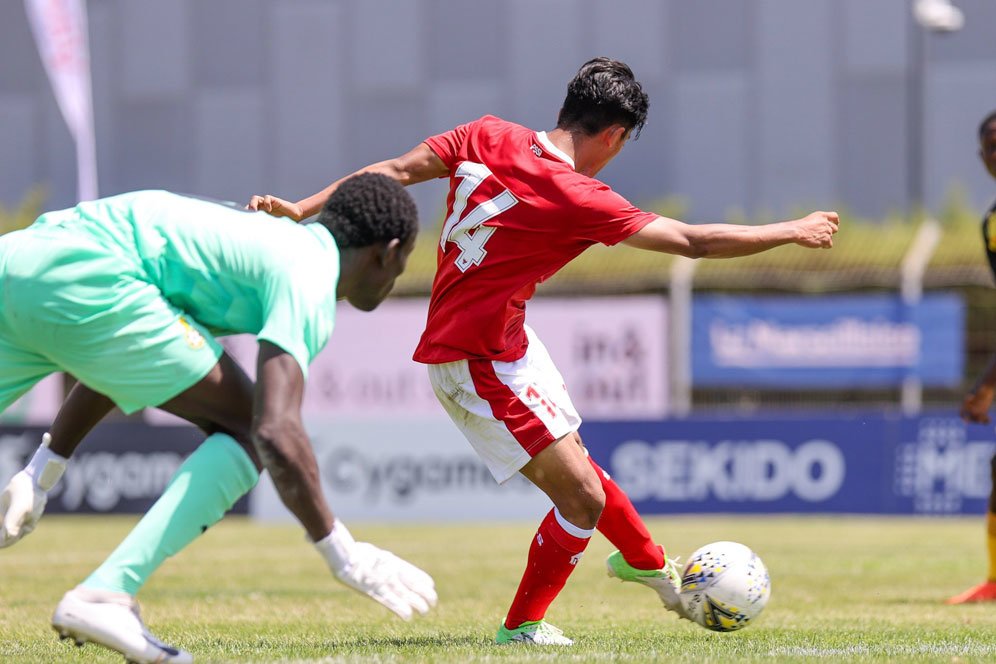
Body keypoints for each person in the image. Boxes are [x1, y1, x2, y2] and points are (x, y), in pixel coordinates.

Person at [249, 57, 840, 645]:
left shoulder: (485, 134)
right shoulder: (579, 195)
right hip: (474, 359)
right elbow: (691, 241)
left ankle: (647, 563)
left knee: (581, 469)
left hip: (507, 339)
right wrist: (791, 229)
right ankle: (522, 629)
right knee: (581, 497)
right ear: (613, 135)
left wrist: (304, 209)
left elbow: (393, 173)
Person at [0, 174, 437, 663]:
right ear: (390, 252)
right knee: (246, 431)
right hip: (95, 278)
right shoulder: (310, 272)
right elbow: (274, 428)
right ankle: (105, 595)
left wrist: (43, 471)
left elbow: (108, 356)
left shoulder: (250, 236)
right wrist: (344, 554)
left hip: (23, 257)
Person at [948, 109, 996, 605]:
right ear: (982, 158)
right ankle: (995, 580)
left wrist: (986, 385)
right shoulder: (992, 223)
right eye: (992, 145)